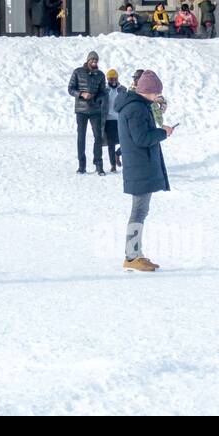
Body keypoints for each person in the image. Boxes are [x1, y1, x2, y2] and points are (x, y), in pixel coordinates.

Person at [118, 70, 174, 272]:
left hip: (140, 164)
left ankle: (135, 254)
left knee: (141, 211)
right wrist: (163, 133)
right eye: (156, 92)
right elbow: (141, 138)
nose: (157, 95)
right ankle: (131, 256)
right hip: (140, 165)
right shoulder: (136, 109)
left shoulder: (138, 106)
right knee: (138, 211)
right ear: (148, 91)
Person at [68, 50, 108, 175]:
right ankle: (82, 166)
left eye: (96, 60)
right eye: (92, 60)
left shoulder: (101, 75)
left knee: (98, 137)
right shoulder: (77, 72)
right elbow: (70, 89)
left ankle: (98, 164)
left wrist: (98, 98)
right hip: (81, 110)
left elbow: (103, 92)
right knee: (81, 137)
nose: (94, 62)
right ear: (88, 60)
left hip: (95, 110)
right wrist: (81, 94)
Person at [104, 68, 126, 173]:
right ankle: (113, 165)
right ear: (107, 79)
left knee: (126, 140)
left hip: (120, 119)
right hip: (109, 119)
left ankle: (119, 154)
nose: (113, 80)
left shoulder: (122, 89)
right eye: (111, 78)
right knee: (111, 142)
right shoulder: (104, 90)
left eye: (115, 78)